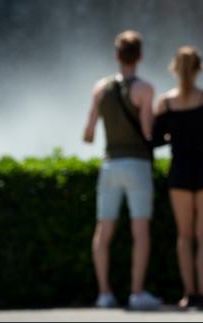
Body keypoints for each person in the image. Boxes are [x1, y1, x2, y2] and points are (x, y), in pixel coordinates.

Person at [82, 30, 162, 310]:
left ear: (117, 56)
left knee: (104, 231)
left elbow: (88, 133)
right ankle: (137, 292)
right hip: (137, 164)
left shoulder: (100, 88)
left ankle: (104, 293)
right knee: (140, 231)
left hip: (110, 164)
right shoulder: (145, 89)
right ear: (139, 56)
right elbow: (148, 131)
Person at [152, 47, 203, 310]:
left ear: (175, 68)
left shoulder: (165, 103)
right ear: (198, 69)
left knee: (184, 236)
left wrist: (175, 137)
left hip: (179, 170)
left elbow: (155, 139)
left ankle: (187, 294)